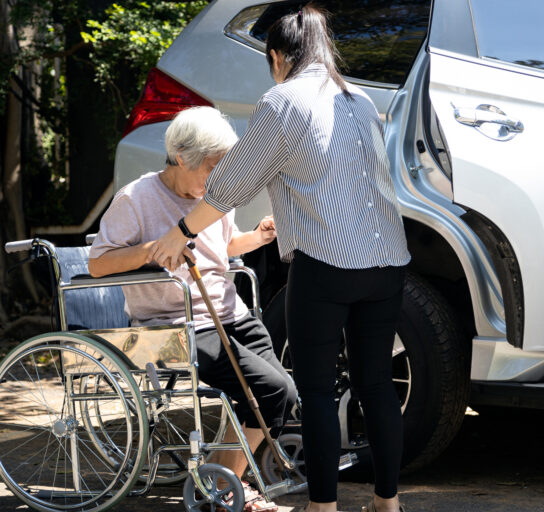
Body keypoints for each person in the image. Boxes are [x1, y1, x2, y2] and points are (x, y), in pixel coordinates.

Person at [148, 5, 411, 512]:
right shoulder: (358, 100)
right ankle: (387, 503)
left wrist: (181, 231)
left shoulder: (282, 101)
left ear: (277, 57)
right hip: (387, 262)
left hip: (327, 264)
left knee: (314, 391)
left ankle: (323, 507)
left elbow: (231, 183)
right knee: (375, 384)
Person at [88, 106, 296, 512]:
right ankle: (226, 484)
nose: (217, 179)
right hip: (172, 328)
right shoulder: (136, 198)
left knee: (281, 392)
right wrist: (154, 250)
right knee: (273, 391)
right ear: (182, 157)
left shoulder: (213, 196)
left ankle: (222, 478)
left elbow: (220, 249)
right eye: (212, 168)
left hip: (229, 315)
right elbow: (98, 263)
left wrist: (255, 238)